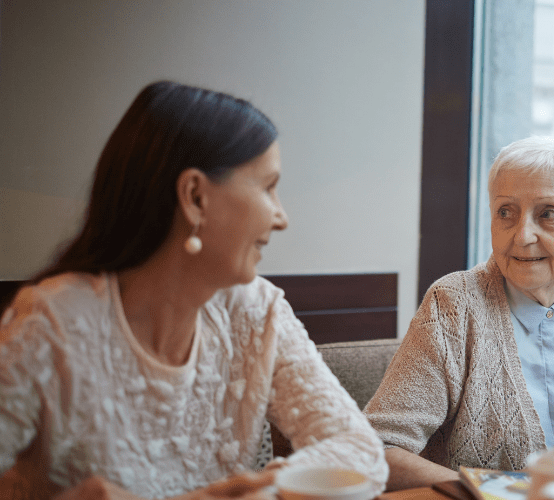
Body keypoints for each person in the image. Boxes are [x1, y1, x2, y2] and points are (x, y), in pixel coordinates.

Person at [0, 81, 387, 499]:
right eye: (268, 187)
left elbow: (361, 451)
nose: (281, 217)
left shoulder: (256, 311)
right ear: (195, 197)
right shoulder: (53, 322)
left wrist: (269, 486)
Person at [364, 136, 554, 490]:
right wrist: (497, 494)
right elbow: (376, 450)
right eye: (506, 212)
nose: (523, 235)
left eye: (547, 213)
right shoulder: (452, 306)